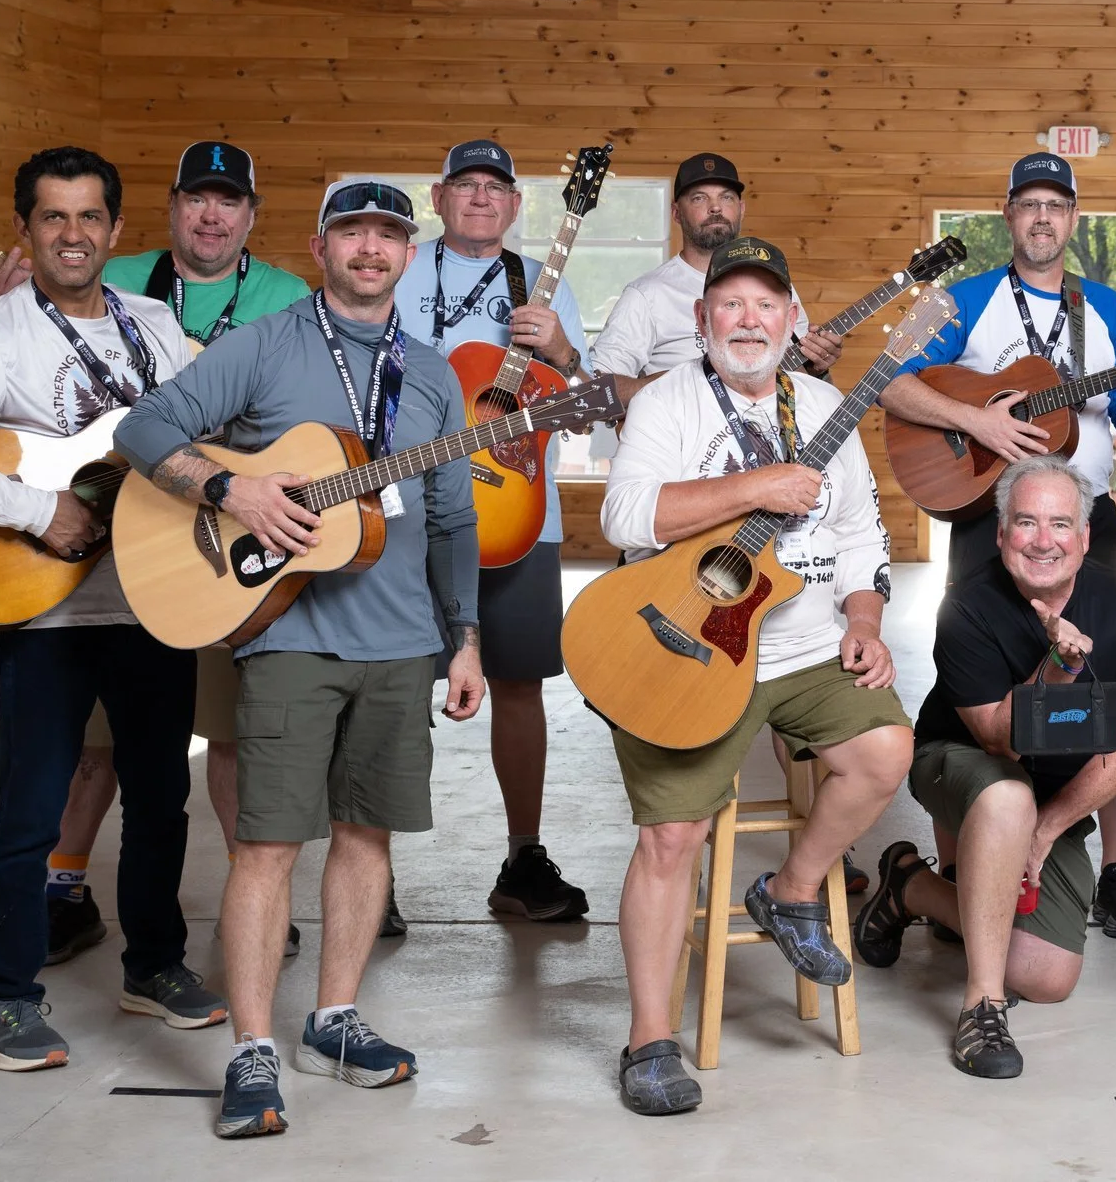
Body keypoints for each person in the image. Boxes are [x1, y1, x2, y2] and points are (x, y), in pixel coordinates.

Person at [114, 179, 486, 1138]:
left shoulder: (434, 374)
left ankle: (333, 1019)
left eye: (388, 235)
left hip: (403, 644)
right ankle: (251, 1047)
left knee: (367, 836)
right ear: (319, 246)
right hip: (286, 636)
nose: (370, 249)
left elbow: (451, 516)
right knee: (267, 845)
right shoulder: (266, 343)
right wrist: (233, 486)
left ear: (410, 252)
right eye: (352, 232)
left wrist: (467, 638)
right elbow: (141, 429)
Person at [0, 146, 223, 1073]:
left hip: (150, 599)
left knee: (160, 800)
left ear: (115, 229)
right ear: (29, 231)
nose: (73, 235)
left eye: (89, 218)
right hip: (49, 614)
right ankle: (4, 998)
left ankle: (153, 964)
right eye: (53, 218)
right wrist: (40, 509)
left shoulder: (154, 323)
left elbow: (203, 427)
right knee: (31, 811)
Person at [593, 236, 913, 1116]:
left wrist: (864, 619)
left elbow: (864, 537)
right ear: (701, 320)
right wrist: (756, 487)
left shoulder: (824, 405)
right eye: (729, 303)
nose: (748, 320)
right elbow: (626, 514)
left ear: (792, 320)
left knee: (887, 748)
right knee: (671, 839)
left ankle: (792, 888)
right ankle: (649, 1037)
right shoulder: (664, 404)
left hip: (807, 643)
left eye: (766, 305)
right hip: (690, 643)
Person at [881, 152, 1116, 937]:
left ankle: (1111, 869)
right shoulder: (956, 299)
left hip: (1086, 522)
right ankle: (960, 865)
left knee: (1102, 687)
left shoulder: (1104, 305)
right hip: (991, 517)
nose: (1043, 218)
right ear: (1008, 215)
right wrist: (978, 421)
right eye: (1029, 204)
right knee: (967, 686)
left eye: (1057, 205)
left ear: (1073, 219)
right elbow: (889, 381)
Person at [47, 141, 314, 964]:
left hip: (231, 533)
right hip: (127, 530)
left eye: (228, 201)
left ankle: (252, 892)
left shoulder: (285, 295)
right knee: (99, 736)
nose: (211, 214)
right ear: (170, 209)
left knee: (230, 729)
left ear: (250, 217)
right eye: (197, 198)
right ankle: (64, 885)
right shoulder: (116, 274)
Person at [852, 456, 1116, 1077]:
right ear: (1000, 536)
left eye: (1059, 524)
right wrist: (1058, 667)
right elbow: (1000, 740)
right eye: (1025, 523)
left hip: (1051, 799)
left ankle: (911, 886)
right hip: (959, 766)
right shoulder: (966, 607)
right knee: (1008, 799)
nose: (1042, 540)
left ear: (1084, 536)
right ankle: (982, 1008)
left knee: (1047, 977)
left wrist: (1049, 831)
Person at [387, 139, 593, 928]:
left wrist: (564, 352)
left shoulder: (543, 285)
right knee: (396, 683)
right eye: (465, 185)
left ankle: (523, 853)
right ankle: (375, 866)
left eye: (495, 188)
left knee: (519, 683)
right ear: (437, 197)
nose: (480, 198)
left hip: (515, 513)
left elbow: (581, 399)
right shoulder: (398, 267)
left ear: (515, 206)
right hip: (405, 509)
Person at [590, 152, 838, 399]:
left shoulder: (774, 283)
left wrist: (817, 369)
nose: (716, 207)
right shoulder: (646, 295)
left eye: (726, 197)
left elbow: (799, 383)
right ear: (676, 213)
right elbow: (598, 389)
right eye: (699, 198)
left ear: (741, 209)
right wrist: (678, 386)